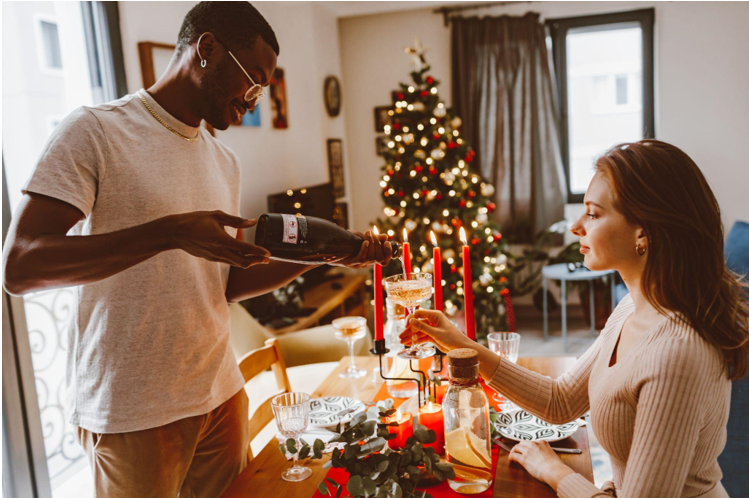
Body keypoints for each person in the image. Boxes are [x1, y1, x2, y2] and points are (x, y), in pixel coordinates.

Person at [1, 2, 392, 497]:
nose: (253, 100)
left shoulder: (223, 161)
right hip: (134, 411)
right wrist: (168, 232)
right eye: (251, 80)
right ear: (206, 50)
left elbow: (223, 283)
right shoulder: (95, 131)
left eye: (262, 90)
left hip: (220, 394)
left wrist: (324, 255)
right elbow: (20, 266)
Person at [403, 140, 749, 498]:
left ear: (643, 232)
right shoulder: (632, 308)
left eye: (594, 214)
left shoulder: (677, 352)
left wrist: (557, 473)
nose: (576, 227)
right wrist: (458, 344)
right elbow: (560, 401)